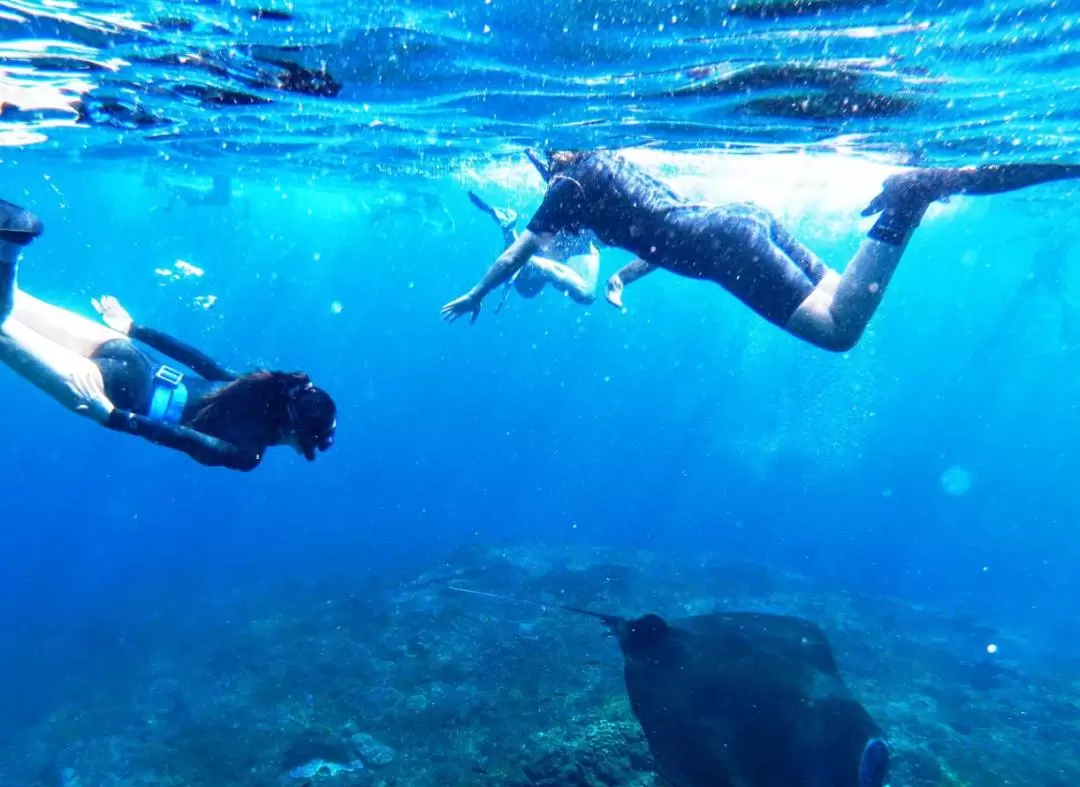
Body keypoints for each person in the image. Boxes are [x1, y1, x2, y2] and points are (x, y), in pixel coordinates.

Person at [441, 149, 1080, 352]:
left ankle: (909, 201)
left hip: (725, 249)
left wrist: (476, 292)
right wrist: (625, 281)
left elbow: (516, 255)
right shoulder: (607, 167)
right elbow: (665, 231)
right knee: (842, 295)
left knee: (838, 331)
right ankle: (912, 203)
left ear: (548, 167)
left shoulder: (566, 189)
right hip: (742, 219)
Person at [0, 200, 336, 472]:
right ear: (295, 430)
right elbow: (181, 437)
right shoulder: (248, 454)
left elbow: (198, 359)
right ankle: (11, 248)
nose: (296, 449)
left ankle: (12, 239)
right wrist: (114, 417)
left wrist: (133, 329)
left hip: (134, 356)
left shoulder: (248, 386)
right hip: (114, 393)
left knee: (17, 300)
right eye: (302, 444)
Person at [466, 187, 600, 308]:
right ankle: (513, 240)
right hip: (573, 231)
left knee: (585, 293)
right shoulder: (557, 264)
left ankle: (516, 244)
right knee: (586, 294)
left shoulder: (554, 263)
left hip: (566, 227)